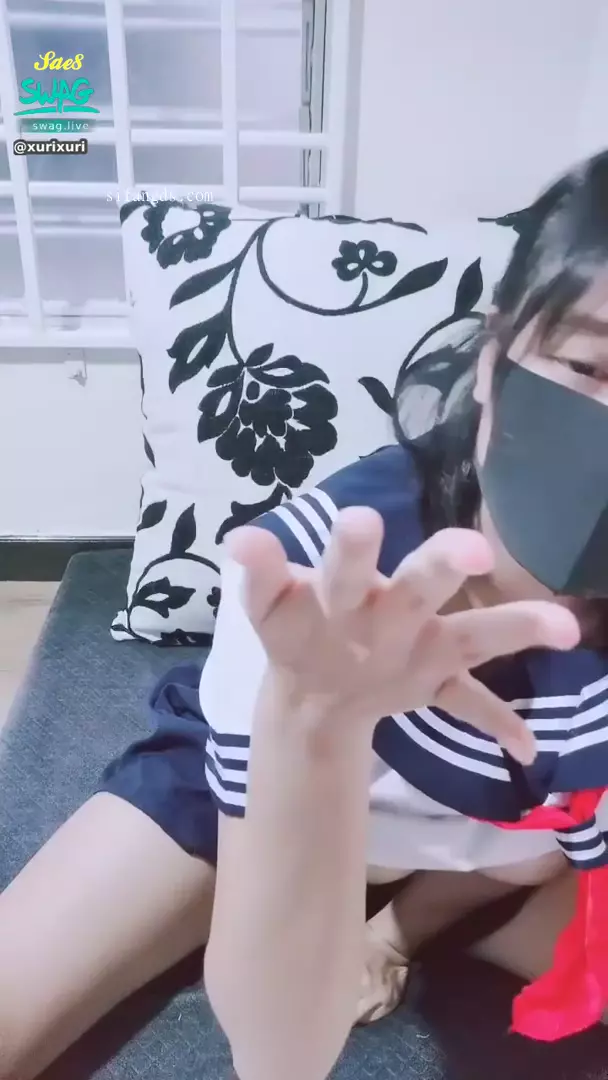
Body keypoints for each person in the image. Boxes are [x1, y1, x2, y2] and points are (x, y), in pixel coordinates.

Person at [1, 151, 608, 1080]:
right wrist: (314, 722)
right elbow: (280, 1053)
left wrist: (393, 934)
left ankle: (409, 926)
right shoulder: (319, 568)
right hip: (251, 797)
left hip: (499, 855)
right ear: (493, 361)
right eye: (588, 364)